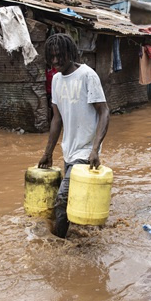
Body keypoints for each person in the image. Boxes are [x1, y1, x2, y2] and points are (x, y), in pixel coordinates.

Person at [37, 33, 110, 238]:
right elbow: (56, 119)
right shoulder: (56, 80)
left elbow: (104, 111)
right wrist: (48, 152)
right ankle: (90, 231)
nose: (55, 61)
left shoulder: (88, 75)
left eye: (59, 55)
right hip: (68, 151)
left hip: (85, 151)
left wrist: (95, 149)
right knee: (72, 198)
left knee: (61, 198)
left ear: (70, 52)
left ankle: (59, 244)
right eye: (51, 56)